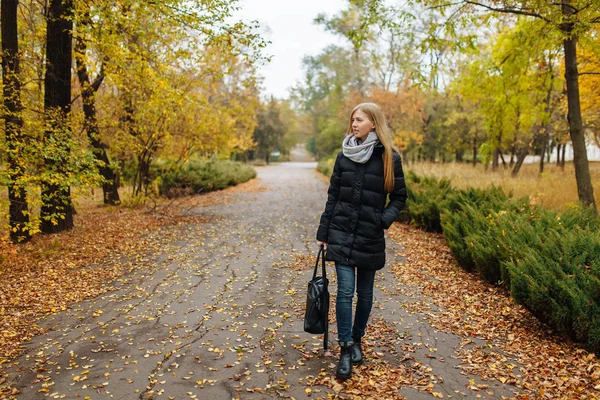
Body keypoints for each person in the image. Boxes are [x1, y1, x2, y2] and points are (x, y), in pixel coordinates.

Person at [316, 102, 407, 380]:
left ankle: (357, 340)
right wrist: (323, 233)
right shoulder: (343, 156)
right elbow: (332, 196)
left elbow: (400, 198)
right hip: (341, 233)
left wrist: (382, 220)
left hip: (369, 236)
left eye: (359, 120)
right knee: (345, 292)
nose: (354, 124)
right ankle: (344, 350)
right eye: (352, 120)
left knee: (364, 295)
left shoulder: (390, 157)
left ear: (373, 124)